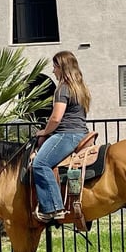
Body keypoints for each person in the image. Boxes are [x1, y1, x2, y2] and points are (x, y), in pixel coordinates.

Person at [32, 51, 91, 223]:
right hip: (81, 133)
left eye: (55, 67)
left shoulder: (63, 89)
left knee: (40, 163)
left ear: (62, 68)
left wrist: (44, 131)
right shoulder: (81, 88)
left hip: (67, 134)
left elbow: (56, 118)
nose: (53, 71)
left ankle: (53, 208)